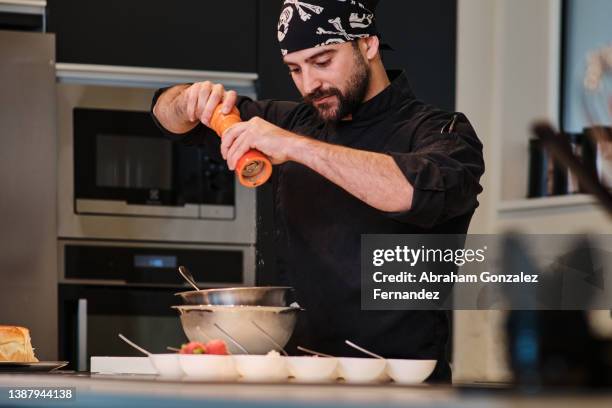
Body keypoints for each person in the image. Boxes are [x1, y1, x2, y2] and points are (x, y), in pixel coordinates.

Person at [152, 0, 484, 382]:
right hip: (297, 377)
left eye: (323, 61)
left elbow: (413, 191)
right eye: (295, 68)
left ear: (368, 45)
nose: (309, 84)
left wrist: (294, 146)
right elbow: (167, 117)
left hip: (401, 381)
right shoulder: (291, 120)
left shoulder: (442, 131)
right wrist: (188, 101)